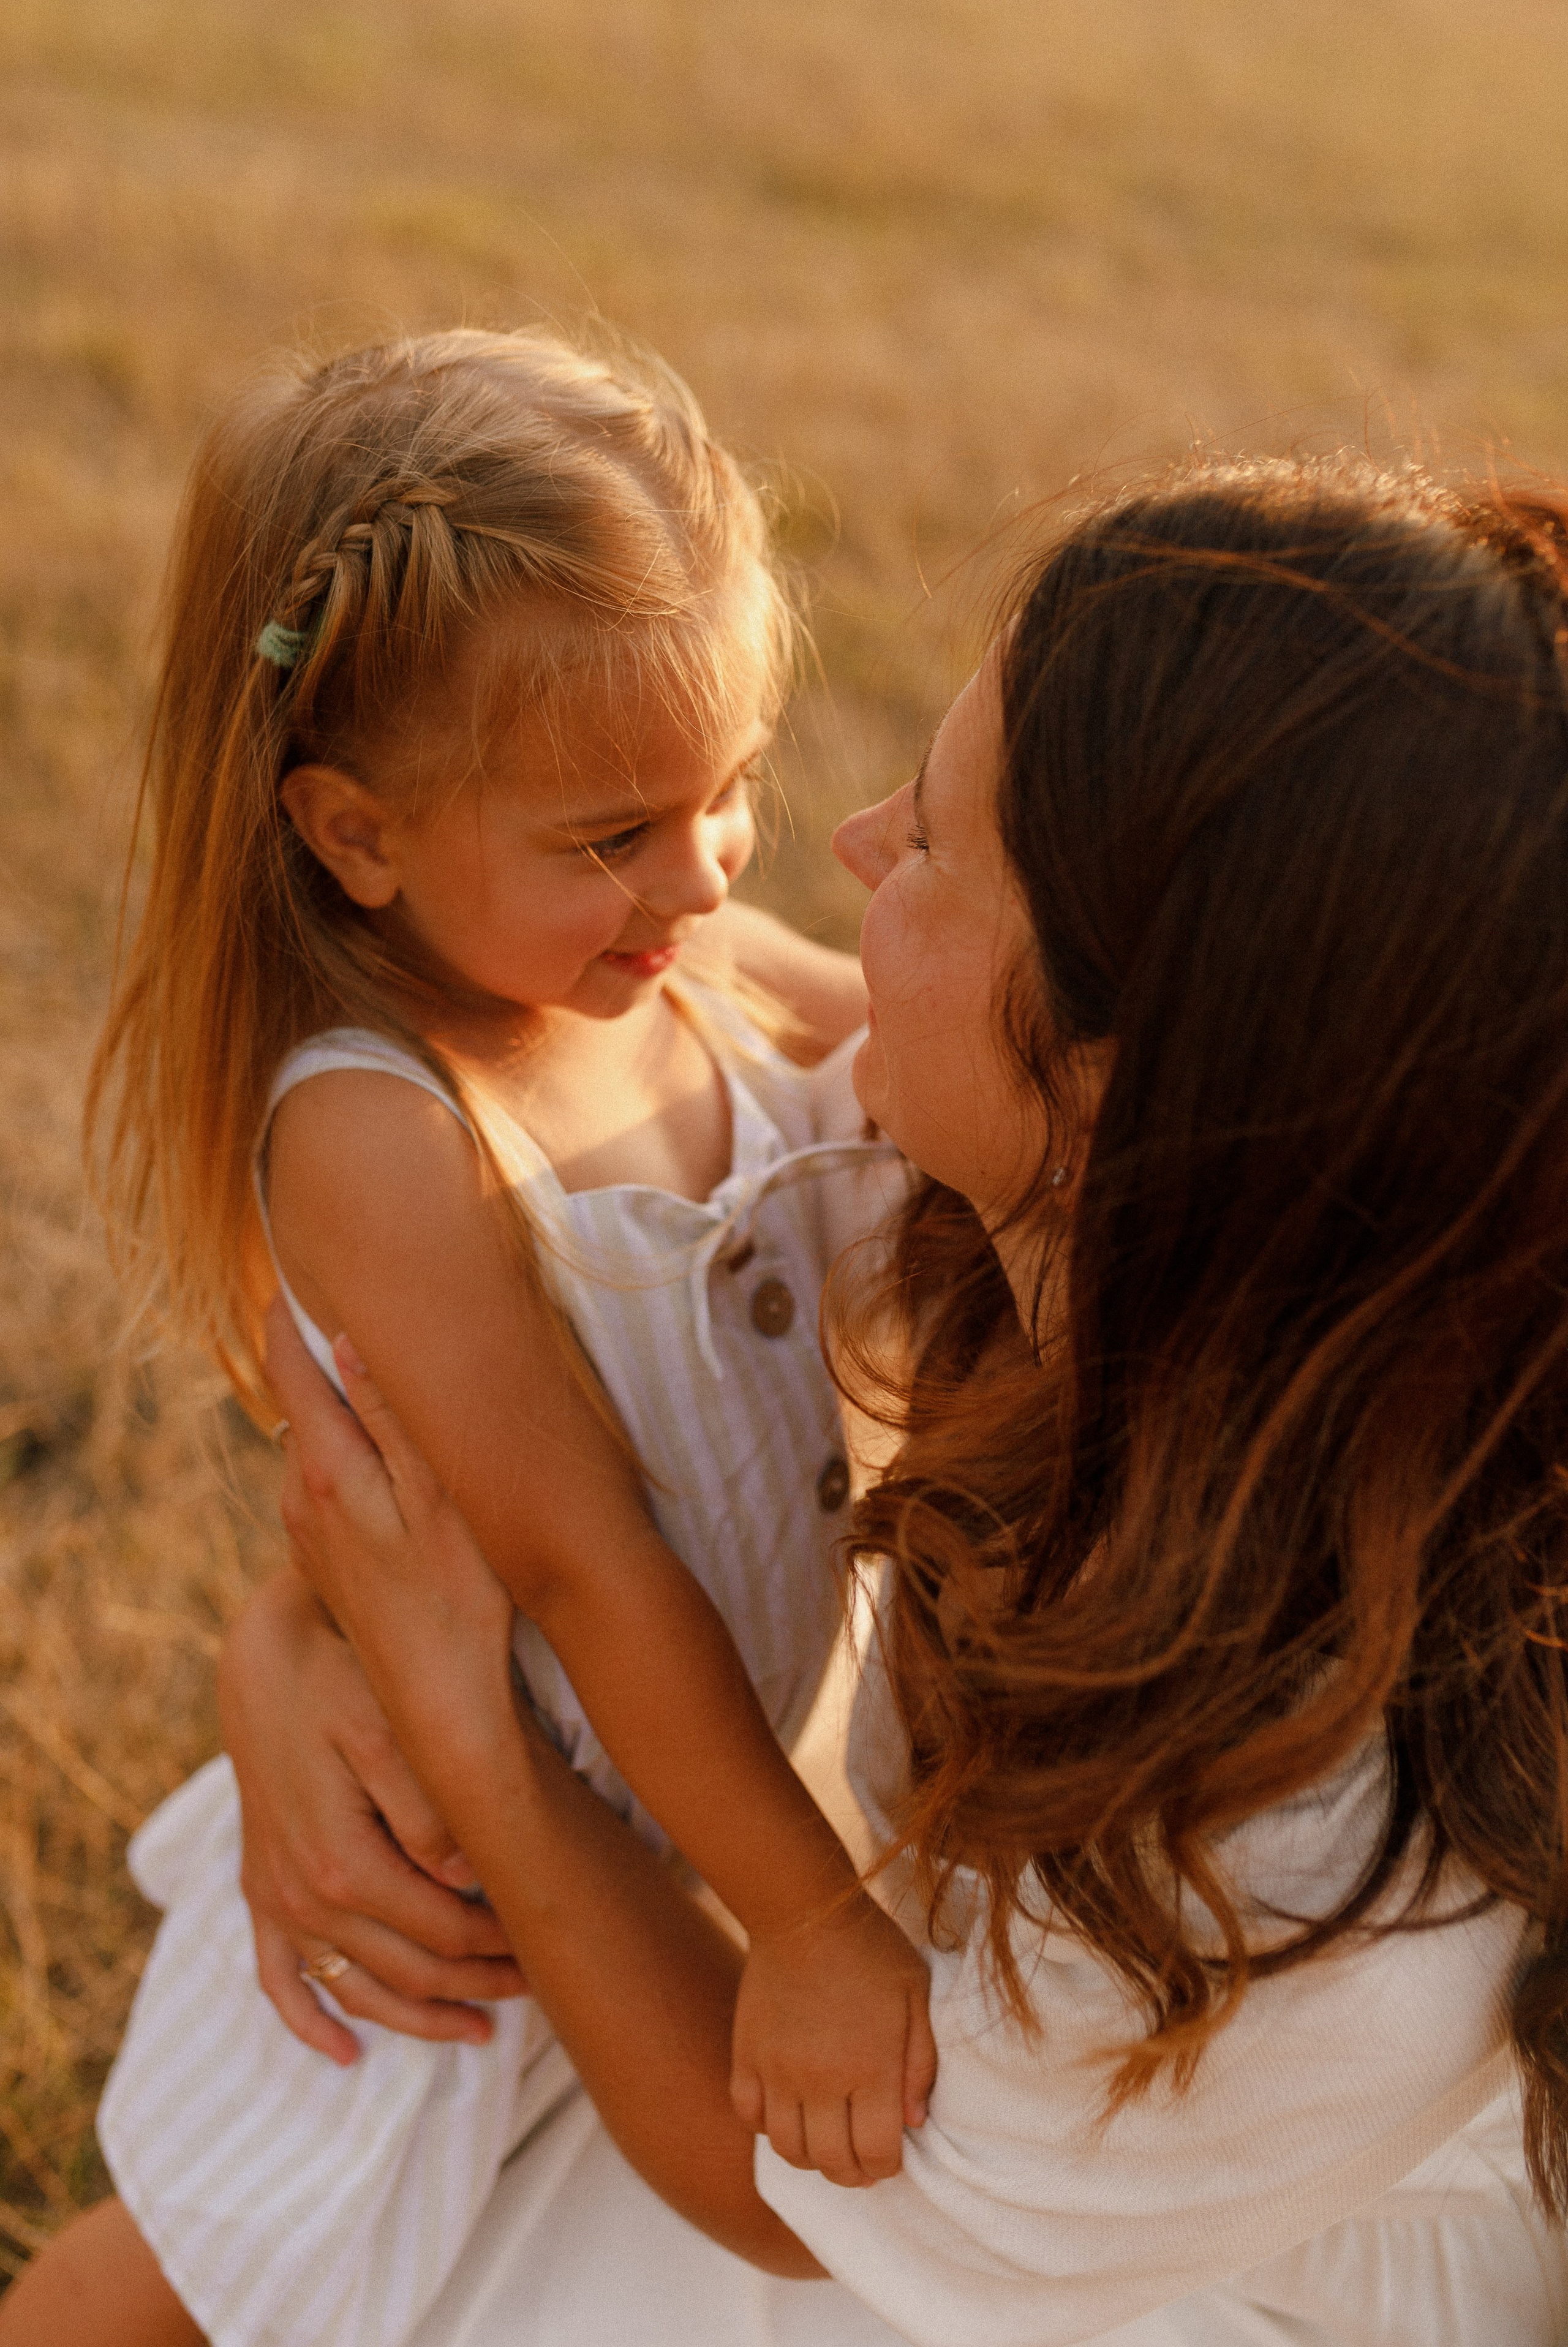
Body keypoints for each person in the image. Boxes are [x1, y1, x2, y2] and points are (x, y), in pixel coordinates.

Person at [74, 453, 1568, 2347]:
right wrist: (298, 1638)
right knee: (149, 2286)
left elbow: (819, 2192)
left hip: (1176, 2261)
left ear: (1135, 1078)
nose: (836, 849)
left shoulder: (1316, 1840)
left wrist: (472, 1731)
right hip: (884, 2042)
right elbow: (543, 1454)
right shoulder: (1146, 1236)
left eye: (931, 842)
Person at [1, 327, 931, 2347]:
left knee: (474, 2273)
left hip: (669, 1838)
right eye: (612, 833)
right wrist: (810, 1918)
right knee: (209, 2271)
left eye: (733, 791)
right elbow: (583, 1565)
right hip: (449, 1887)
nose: (702, 871)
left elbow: (936, 1039)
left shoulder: (685, 960)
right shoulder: (384, 1129)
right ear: (358, 835)